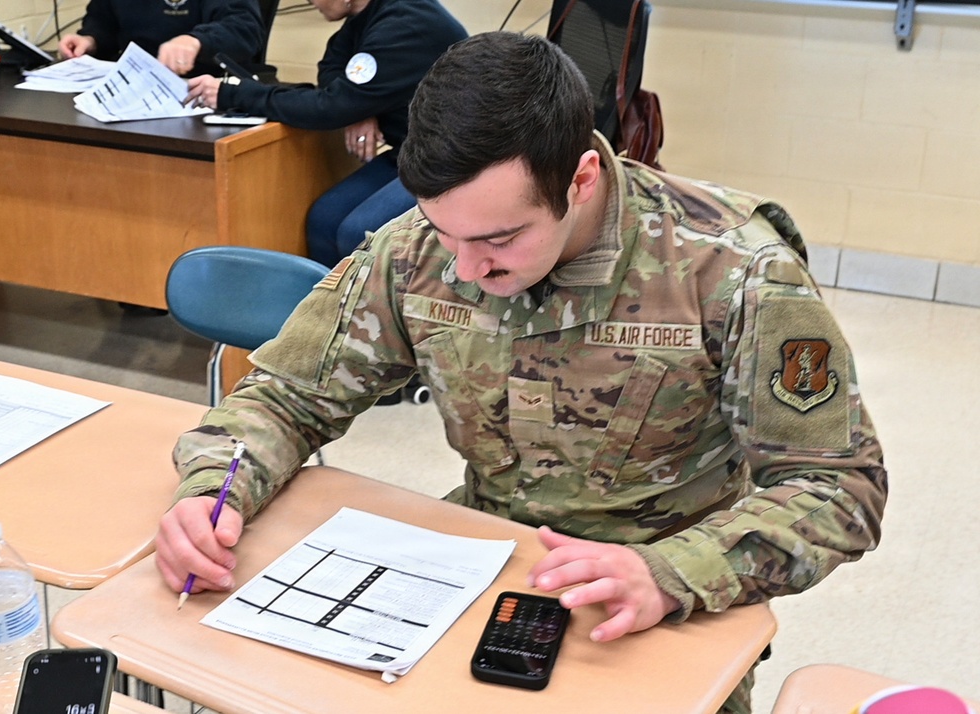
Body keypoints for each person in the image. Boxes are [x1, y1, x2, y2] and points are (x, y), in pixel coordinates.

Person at [156, 32, 887, 713]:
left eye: (501, 239)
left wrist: (672, 572)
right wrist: (217, 489)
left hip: (661, 607)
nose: (467, 267)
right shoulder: (419, 248)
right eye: (447, 233)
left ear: (582, 178)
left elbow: (838, 485)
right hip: (481, 582)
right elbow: (288, 396)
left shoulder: (732, 269)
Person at [182, 0, 468, 268]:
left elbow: (328, 107)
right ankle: (329, 315)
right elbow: (331, 69)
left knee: (359, 231)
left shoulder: (406, 25)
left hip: (452, 161)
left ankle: (374, 318)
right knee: (323, 219)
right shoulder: (363, 20)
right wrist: (359, 106)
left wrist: (232, 93)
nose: (310, 2)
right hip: (409, 153)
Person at [57, 0, 264, 77]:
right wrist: (91, 40)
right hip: (135, 84)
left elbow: (244, 29)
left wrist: (196, 41)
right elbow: (104, 20)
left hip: (204, 86)